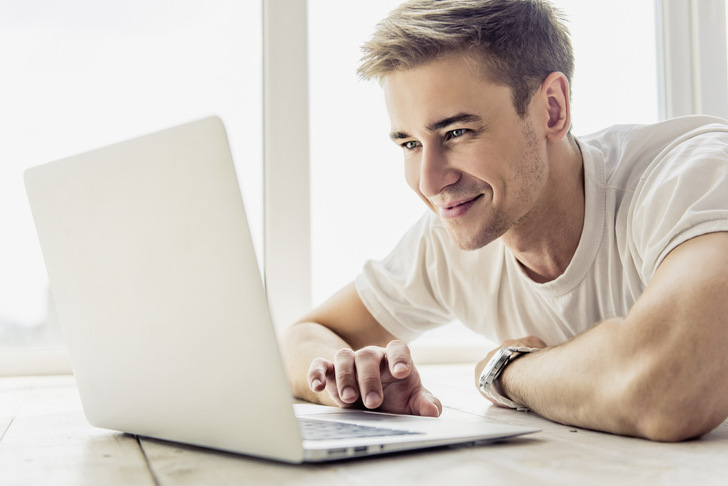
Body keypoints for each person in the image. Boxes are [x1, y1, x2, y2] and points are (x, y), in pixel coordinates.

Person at [281, 0, 728, 441]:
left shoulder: (693, 176)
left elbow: (668, 389)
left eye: (457, 133)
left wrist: (504, 371)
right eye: (409, 144)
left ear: (552, 109)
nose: (429, 181)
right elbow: (303, 337)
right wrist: (352, 381)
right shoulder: (451, 236)